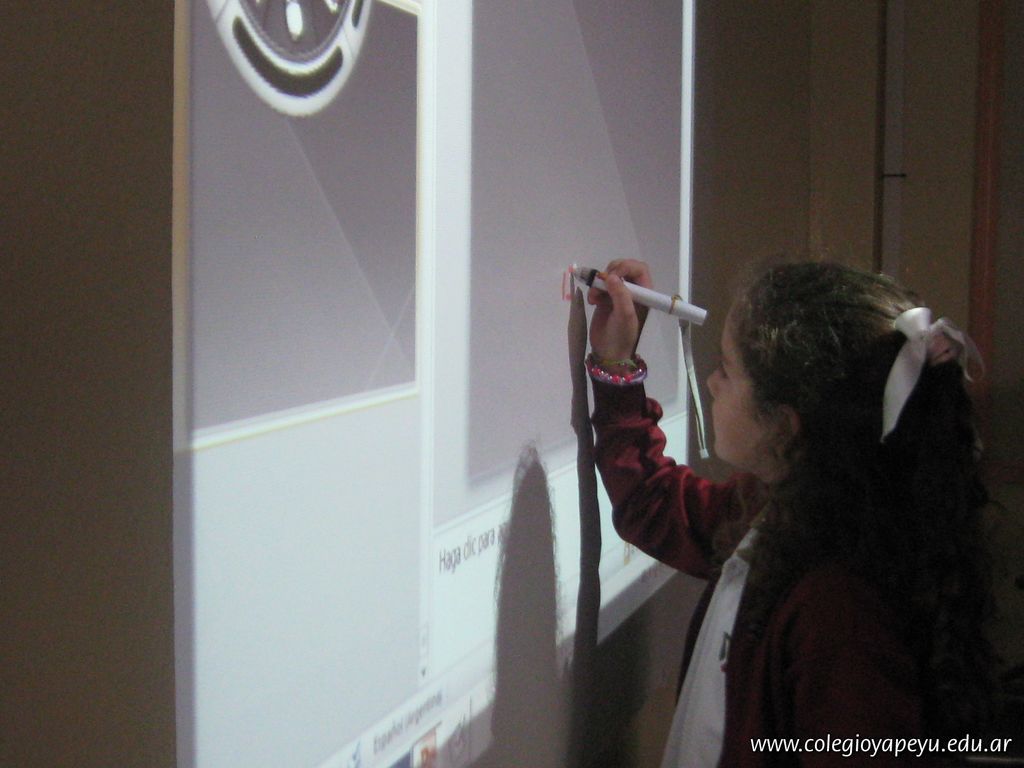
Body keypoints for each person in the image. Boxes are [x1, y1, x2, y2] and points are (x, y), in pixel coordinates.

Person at [585, 259, 996, 767]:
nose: (711, 382)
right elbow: (656, 502)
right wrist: (617, 366)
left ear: (783, 426)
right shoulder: (786, 511)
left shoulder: (841, 612)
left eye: (727, 370)